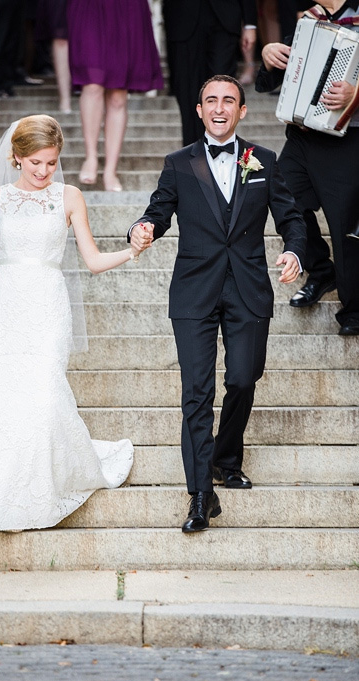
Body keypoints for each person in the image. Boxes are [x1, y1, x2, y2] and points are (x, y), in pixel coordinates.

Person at [0, 114, 136, 531]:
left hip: (47, 305)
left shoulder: (70, 197)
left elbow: (93, 261)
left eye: (51, 162)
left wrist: (133, 252)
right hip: (3, 306)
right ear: (17, 157)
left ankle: (37, 491)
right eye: (36, 162)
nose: (45, 171)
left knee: (44, 394)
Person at [129, 76, 306, 533]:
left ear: (242, 111)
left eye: (229, 100)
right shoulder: (178, 163)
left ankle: (226, 457)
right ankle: (200, 495)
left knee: (244, 378)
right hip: (194, 290)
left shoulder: (263, 160)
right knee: (196, 392)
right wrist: (143, 228)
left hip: (248, 287)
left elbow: (291, 216)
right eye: (211, 100)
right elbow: (158, 210)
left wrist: (295, 250)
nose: (220, 107)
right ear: (199, 109)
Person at [256, 1, 359, 336]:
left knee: (344, 224)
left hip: (347, 139)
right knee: (282, 197)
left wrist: (357, 93)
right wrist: (269, 54)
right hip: (302, 138)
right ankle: (319, 269)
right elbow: (266, 83)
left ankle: (355, 307)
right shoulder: (309, 20)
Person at [67, 0, 163, 191]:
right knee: (92, 83)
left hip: (127, 7)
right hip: (91, 7)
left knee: (118, 94)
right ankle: (91, 156)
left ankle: (111, 169)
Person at [163, 0, 258, 145]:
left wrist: (250, 23)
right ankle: (192, 157)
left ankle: (221, 154)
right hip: (181, 17)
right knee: (188, 94)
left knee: (222, 91)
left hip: (225, 17)